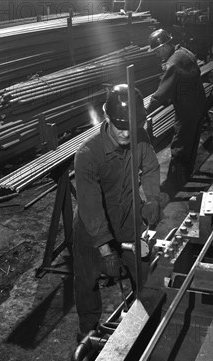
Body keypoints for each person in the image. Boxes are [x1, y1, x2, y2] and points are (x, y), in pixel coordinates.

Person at [73, 84, 161, 340]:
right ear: (107, 118)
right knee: (87, 282)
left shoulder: (140, 138)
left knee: (144, 272)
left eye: (131, 127)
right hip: (93, 229)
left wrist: (153, 198)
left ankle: (145, 320)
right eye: (120, 126)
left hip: (127, 219)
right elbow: (90, 205)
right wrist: (104, 248)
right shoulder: (88, 154)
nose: (126, 134)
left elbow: (151, 167)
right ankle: (87, 334)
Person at [146, 29, 207, 190]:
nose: (157, 55)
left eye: (157, 51)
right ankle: (185, 176)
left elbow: (161, 94)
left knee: (179, 145)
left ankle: (173, 185)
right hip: (199, 104)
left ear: (164, 47)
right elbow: (181, 81)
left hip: (187, 110)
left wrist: (144, 111)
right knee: (192, 143)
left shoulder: (173, 63)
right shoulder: (184, 52)